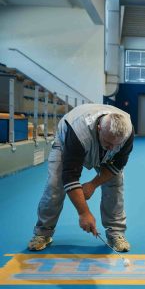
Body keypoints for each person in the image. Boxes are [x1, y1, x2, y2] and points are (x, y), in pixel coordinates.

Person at [28, 103, 134, 252]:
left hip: (100, 141)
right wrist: (84, 213)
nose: (111, 148)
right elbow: (70, 175)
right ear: (99, 129)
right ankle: (43, 233)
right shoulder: (78, 133)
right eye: (108, 143)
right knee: (54, 185)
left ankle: (116, 234)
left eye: (115, 145)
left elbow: (116, 167)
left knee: (115, 184)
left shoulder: (127, 134)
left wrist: (92, 184)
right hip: (68, 142)